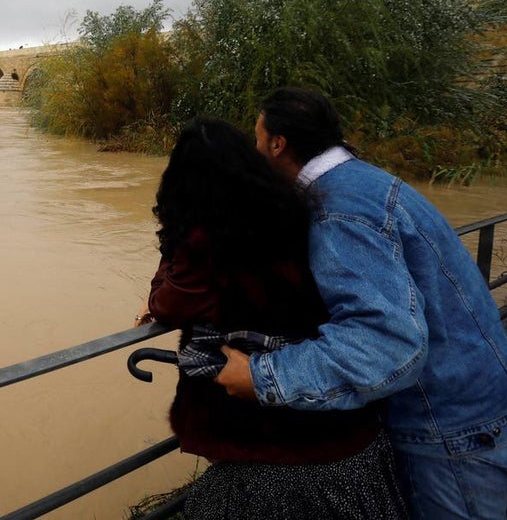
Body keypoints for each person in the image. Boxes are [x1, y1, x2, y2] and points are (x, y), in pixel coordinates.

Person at [215, 87, 507, 519]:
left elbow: (386, 340)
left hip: (452, 432)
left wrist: (263, 377)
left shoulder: (338, 211)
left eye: (257, 139)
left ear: (277, 144)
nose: (254, 150)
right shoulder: (365, 182)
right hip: (480, 406)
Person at [138, 117, 407, 518]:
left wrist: (173, 239)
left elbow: (167, 305)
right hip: (349, 436)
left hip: (272, 452)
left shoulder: (202, 240)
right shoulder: (299, 214)